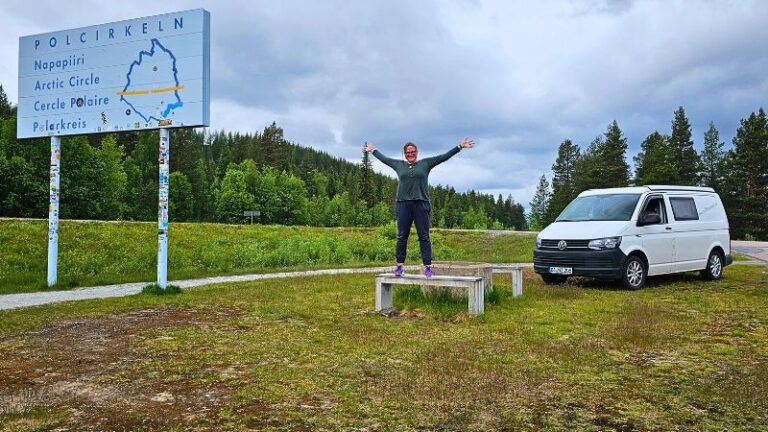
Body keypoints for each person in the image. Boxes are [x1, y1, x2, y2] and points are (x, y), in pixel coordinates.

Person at [363, 138, 475, 277]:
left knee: (424, 236)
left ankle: (427, 267)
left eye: (413, 152)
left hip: (421, 204)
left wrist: (459, 147)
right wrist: (373, 150)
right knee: (402, 236)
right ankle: (399, 266)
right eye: (408, 152)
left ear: (417, 152)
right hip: (403, 204)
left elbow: (443, 157)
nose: (410, 154)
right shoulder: (399, 165)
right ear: (404, 154)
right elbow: (384, 159)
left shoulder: (425, 164)